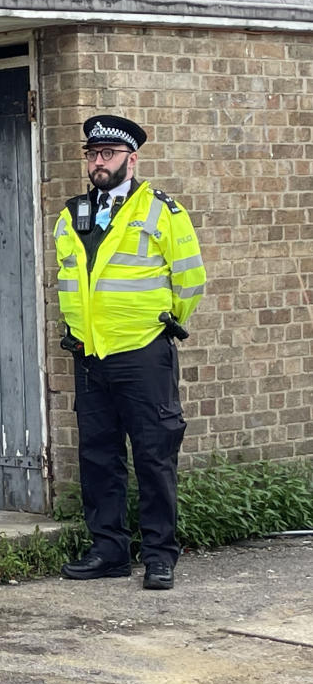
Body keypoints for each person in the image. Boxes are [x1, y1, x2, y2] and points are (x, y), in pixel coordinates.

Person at [53, 115, 206, 591]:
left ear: (131, 159)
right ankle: (109, 550)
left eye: (109, 155)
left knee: (154, 455)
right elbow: (68, 282)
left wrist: (160, 325)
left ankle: (161, 555)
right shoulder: (71, 214)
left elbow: (190, 280)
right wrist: (81, 333)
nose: (98, 163)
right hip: (89, 354)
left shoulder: (162, 211)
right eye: (92, 155)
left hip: (142, 352)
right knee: (99, 456)